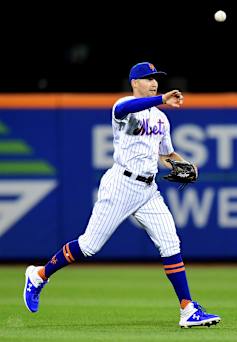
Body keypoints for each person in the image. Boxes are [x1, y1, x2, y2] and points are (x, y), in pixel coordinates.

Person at [23, 62, 221, 328]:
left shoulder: (161, 118)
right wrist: (162, 99)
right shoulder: (122, 107)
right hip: (121, 184)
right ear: (134, 82)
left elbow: (165, 155)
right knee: (89, 246)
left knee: (170, 243)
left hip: (149, 190)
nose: (154, 82)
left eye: (156, 79)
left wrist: (186, 163)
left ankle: (187, 309)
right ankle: (39, 275)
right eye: (148, 78)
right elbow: (126, 108)